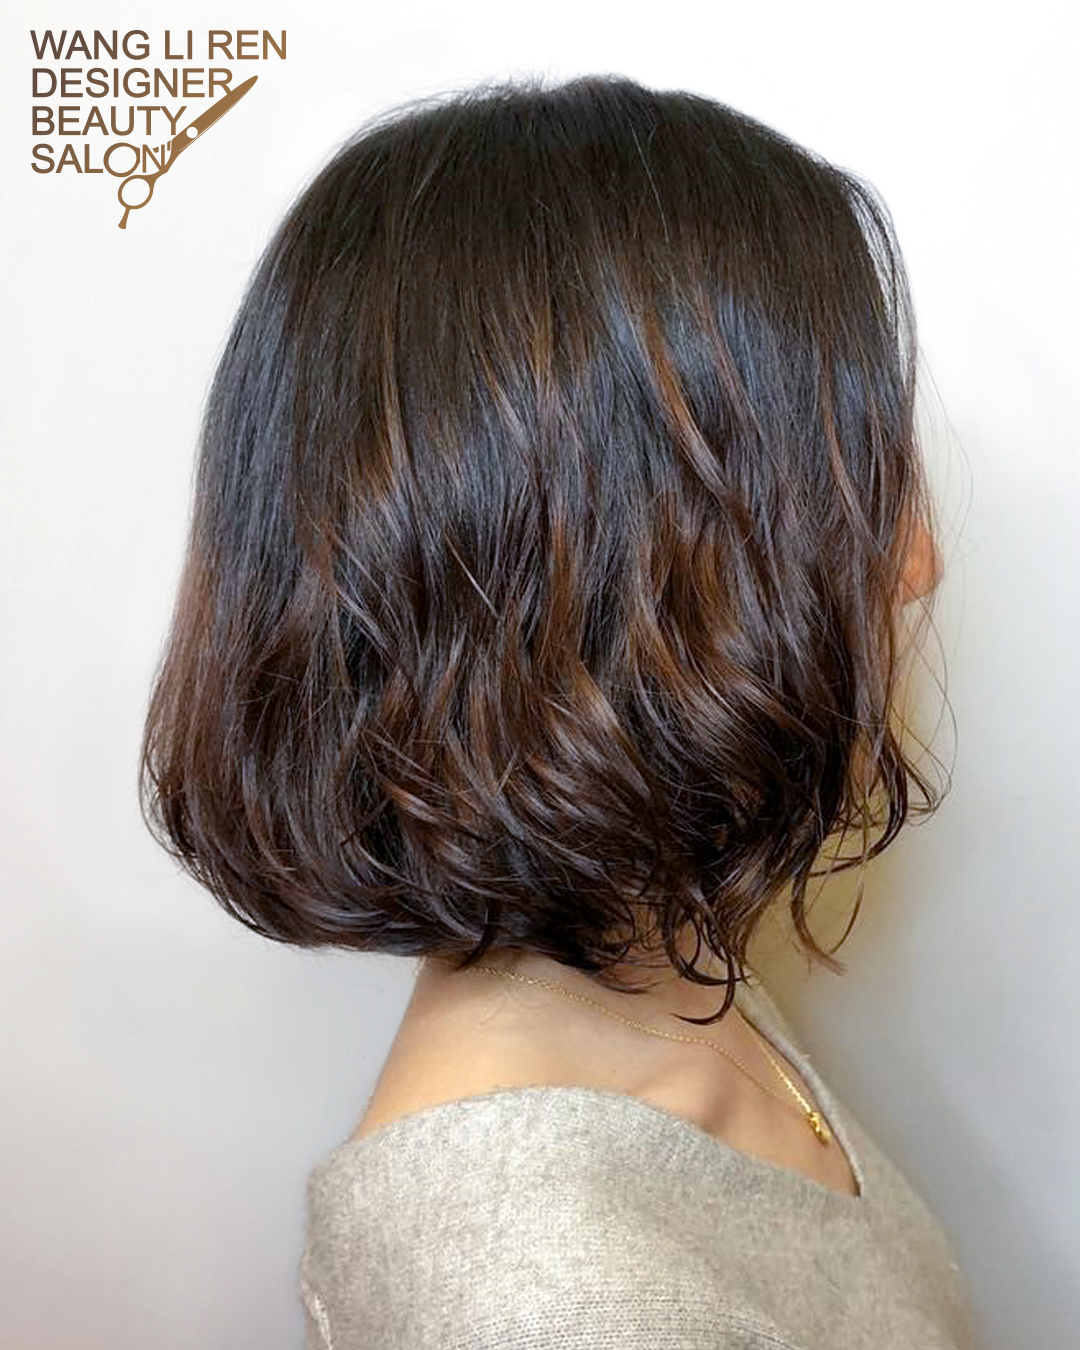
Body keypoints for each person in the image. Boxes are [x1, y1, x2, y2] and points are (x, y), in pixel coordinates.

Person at [138, 73, 978, 1349]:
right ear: (619, 567)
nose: (916, 562)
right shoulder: (555, 1304)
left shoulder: (673, 964)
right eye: (848, 485)